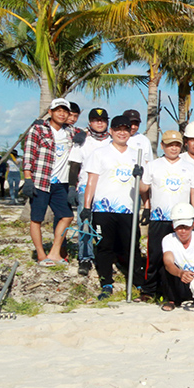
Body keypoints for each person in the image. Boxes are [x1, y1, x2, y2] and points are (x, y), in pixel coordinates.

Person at [81, 115, 144, 298]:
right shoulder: (100, 153)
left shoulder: (136, 154)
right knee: (104, 246)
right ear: (111, 131)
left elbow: (143, 186)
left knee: (131, 246)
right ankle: (106, 283)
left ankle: (138, 283)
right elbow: (91, 181)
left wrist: (141, 176)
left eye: (125, 130)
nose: (122, 133)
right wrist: (87, 206)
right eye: (118, 130)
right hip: (103, 209)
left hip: (128, 209)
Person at [138, 130, 194, 301]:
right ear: (162, 146)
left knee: (178, 257)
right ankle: (149, 290)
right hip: (159, 219)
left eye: (177, 145)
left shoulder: (189, 167)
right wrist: (139, 177)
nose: (173, 148)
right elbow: (143, 189)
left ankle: (172, 292)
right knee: (155, 255)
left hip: (181, 220)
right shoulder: (153, 165)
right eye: (169, 145)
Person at [23, 98, 83, 267]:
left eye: (65, 111)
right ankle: (41, 255)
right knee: (36, 219)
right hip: (41, 181)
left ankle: (55, 252)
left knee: (67, 216)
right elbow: (29, 155)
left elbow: (90, 133)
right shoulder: (38, 129)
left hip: (61, 183)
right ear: (50, 112)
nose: (62, 114)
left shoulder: (71, 132)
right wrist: (28, 179)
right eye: (58, 110)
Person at [68, 108, 110, 275]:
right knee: (84, 223)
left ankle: (105, 256)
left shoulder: (112, 141)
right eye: (95, 120)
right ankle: (85, 257)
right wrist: (72, 187)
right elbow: (74, 166)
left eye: (102, 120)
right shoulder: (82, 140)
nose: (99, 123)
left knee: (104, 226)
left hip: (106, 188)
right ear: (89, 122)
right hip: (85, 186)